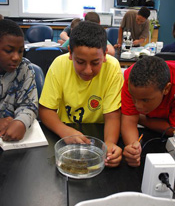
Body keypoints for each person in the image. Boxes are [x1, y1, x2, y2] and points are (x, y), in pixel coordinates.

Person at [39, 21, 124, 167]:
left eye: (95, 62)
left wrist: (109, 144)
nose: (88, 70)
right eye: (80, 62)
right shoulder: (59, 64)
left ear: (104, 55)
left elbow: (113, 115)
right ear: (70, 53)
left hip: (99, 132)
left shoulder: (112, 68)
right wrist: (64, 131)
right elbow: (46, 110)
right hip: (62, 131)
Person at [121, 56, 175, 167]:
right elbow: (129, 121)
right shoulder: (132, 79)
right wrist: (133, 148)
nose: (138, 105)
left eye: (145, 100)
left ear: (166, 89)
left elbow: (172, 130)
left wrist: (139, 118)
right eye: (133, 97)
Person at [0, 19, 38, 141]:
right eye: (8, 50)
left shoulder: (25, 69)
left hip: (11, 141)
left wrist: (21, 122)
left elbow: (29, 105)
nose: (16, 57)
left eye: (20, 51)